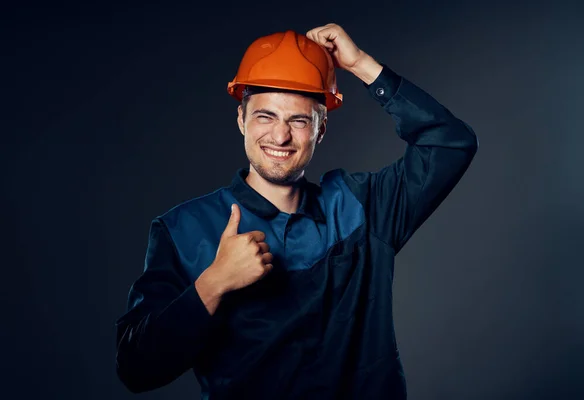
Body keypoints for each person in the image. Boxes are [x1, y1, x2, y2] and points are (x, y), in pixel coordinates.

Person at [115, 23, 479, 399]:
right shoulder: (183, 230)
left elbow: (450, 143)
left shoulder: (362, 208)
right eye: (265, 116)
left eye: (299, 120)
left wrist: (362, 66)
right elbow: (135, 368)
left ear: (321, 130)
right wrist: (214, 283)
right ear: (242, 120)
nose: (280, 136)